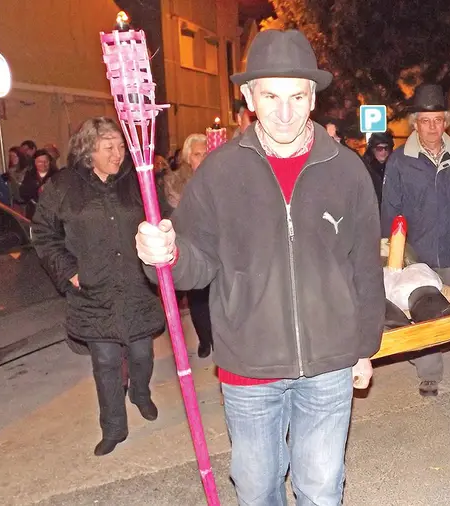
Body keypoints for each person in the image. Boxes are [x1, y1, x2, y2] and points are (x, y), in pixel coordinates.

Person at [134, 29, 384, 505]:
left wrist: (364, 347)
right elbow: (196, 262)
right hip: (248, 367)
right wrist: (166, 253)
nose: (285, 112)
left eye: (296, 96)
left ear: (313, 97)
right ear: (249, 97)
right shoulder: (220, 172)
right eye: (270, 95)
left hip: (330, 364)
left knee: (321, 489)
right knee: (256, 490)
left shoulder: (347, 170)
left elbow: (365, 268)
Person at [32, 117, 169, 456]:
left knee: (141, 353)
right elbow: (43, 234)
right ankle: (114, 427)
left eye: (121, 146)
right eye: (109, 147)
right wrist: (69, 272)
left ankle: (140, 392)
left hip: (136, 285)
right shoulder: (63, 186)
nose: (118, 153)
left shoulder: (137, 180)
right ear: (88, 150)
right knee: (106, 361)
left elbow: (162, 217)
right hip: (93, 291)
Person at [380, 83, 450, 397]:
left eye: (438, 120)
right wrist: (390, 249)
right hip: (416, 253)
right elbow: (389, 208)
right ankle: (430, 372)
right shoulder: (400, 161)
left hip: (449, 249)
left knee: (440, 315)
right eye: (425, 121)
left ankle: (425, 349)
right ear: (415, 123)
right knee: (427, 312)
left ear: (446, 122)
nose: (432, 127)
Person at [163, 133, 214, 358]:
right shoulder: (175, 182)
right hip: (192, 247)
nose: (202, 159)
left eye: (205, 154)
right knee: (198, 299)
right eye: (196, 155)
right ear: (187, 157)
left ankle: (219, 340)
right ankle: (204, 339)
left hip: (217, 246)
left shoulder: (220, 176)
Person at [19, 149, 59, 220]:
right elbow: (23, 194)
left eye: (46, 161)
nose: (43, 164)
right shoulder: (29, 175)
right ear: (35, 162)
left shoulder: (56, 175)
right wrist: (37, 188)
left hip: (52, 214)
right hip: (34, 213)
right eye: (40, 162)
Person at [362, 131, 393, 205]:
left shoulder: (394, 166)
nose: (383, 151)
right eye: (379, 148)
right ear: (372, 149)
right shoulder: (364, 168)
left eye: (386, 148)